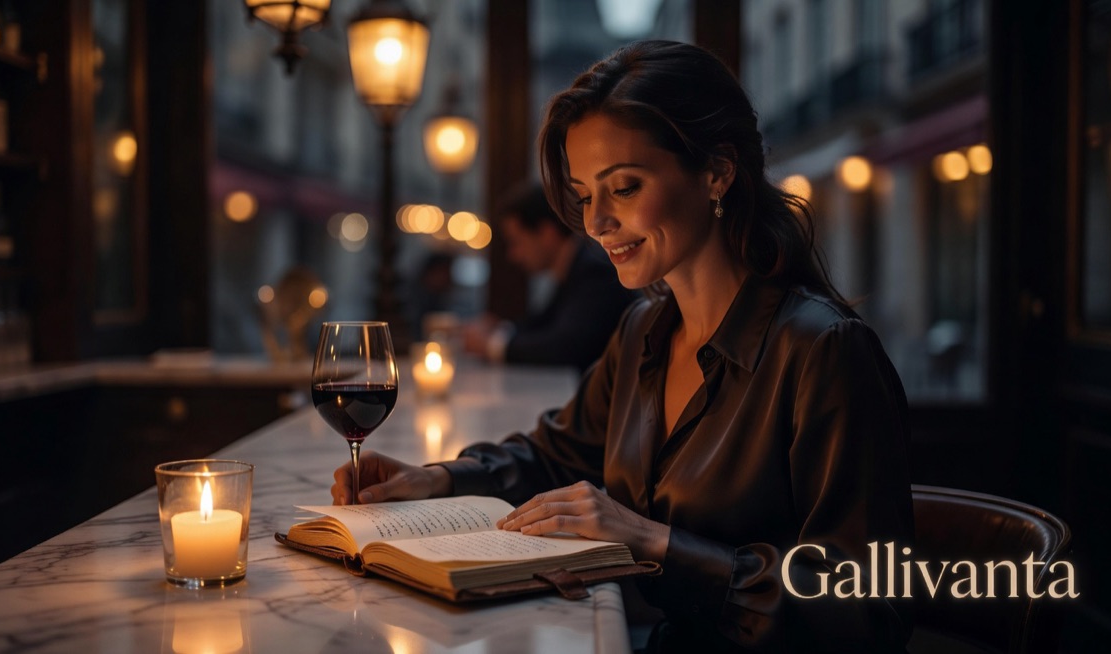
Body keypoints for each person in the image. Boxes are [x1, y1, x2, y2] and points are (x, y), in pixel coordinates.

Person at [333, 41, 913, 652]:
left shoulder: (825, 351)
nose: (595, 223)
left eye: (625, 187)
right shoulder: (643, 332)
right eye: (585, 196)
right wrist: (435, 479)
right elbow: (557, 454)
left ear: (717, 170)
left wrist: (655, 543)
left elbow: (866, 611)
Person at [461, 181, 635, 372]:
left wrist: (491, 345)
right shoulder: (574, 266)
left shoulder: (594, 269)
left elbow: (566, 346)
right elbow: (545, 323)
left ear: (546, 233)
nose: (513, 254)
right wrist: (501, 329)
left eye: (516, 242)